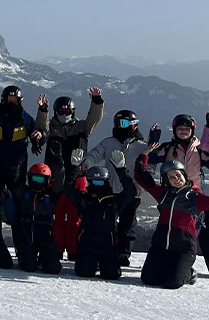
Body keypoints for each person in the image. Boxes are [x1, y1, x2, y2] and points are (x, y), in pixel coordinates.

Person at [133, 144, 209, 289]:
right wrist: (144, 155)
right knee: (148, 279)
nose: (176, 179)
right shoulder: (163, 193)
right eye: (172, 177)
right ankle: (169, 269)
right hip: (161, 246)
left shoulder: (194, 197)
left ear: (184, 175)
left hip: (184, 249)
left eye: (178, 175)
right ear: (166, 180)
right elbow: (142, 177)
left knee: (172, 283)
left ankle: (189, 273)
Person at [147, 113, 209, 277]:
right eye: (179, 129)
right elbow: (151, 155)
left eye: (186, 129)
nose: (183, 132)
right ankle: (175, 263)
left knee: (204, 231)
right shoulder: (168, 148)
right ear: (174, 130)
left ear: (192, 130)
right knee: (175, 232)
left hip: (193, 195)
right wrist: (154, 137)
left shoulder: (198, 149)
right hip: (171, 195)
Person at [81, 109, 149, 266]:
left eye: (125, 123)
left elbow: (148, 170)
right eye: (118, 123)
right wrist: (86, 163)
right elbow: (95, 153)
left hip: (131, 193)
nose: (120, 126)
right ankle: (105, 250)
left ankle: (123, 254)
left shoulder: (141, 146)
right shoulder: (109, 143)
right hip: (110, 191)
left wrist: (140, 187)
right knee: (106, 223)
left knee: (127, 225)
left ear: (134, 126)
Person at [42, 88, 104, 262]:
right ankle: (58, 248)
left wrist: (97, 101)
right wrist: (43, 110)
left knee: (76, 217)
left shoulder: (81, 127)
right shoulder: (51, 127)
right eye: (61, 111)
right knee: (58, 216)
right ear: (55, 112)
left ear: (73, 112)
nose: (65, 114)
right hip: (57, 176)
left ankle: (74, 250)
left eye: (68, 111)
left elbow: (94, 119)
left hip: (77, 177)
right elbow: (42, 127)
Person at [61, 149, 139, 280]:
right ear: (90, 182)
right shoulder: (84, 199)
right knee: (83, 273)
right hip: (87, 244)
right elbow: (68, 188)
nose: (98, 185)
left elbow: (131, 191)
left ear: (107, 181)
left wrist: (121, 170)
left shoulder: (113, 200)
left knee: (112, 275)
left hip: (108, 245)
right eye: (95, 182)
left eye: (101, 182)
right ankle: (92, 263)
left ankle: (102, 263)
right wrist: (74, 168)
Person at [0, 86, 46, 198]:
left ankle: (17, 216)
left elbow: (39, 135)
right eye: (10, 99)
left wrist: (39, 136)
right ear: (4, 99)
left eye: (15, 99)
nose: (12, 102)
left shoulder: (25, 118)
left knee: (16, 197)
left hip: (17, 167)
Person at [13, 163, 60, 274]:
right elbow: (16, 176)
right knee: (28, 266)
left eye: (41, 180)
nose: (37, 183)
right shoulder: (24, 193)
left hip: (46, 239)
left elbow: (63, 182)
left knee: (53, 269)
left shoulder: (51, 195)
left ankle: (44, 258)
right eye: (35, 179)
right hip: (27, 237)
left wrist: (62, 163)